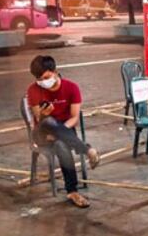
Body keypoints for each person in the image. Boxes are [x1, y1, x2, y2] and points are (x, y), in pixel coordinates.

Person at [27, 55, 100, 208]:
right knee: (49, 121)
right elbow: (38, 118)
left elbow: (74, 118)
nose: (42, 82)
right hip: (42, 132)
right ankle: (86, 149)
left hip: (65, 129)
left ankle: (72, 191)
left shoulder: (71, 87)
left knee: (61, 144)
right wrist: (45, 114)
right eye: (38, 79)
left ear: (55, 71)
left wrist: (59, 132)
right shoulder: (33, 90)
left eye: (45, 77)